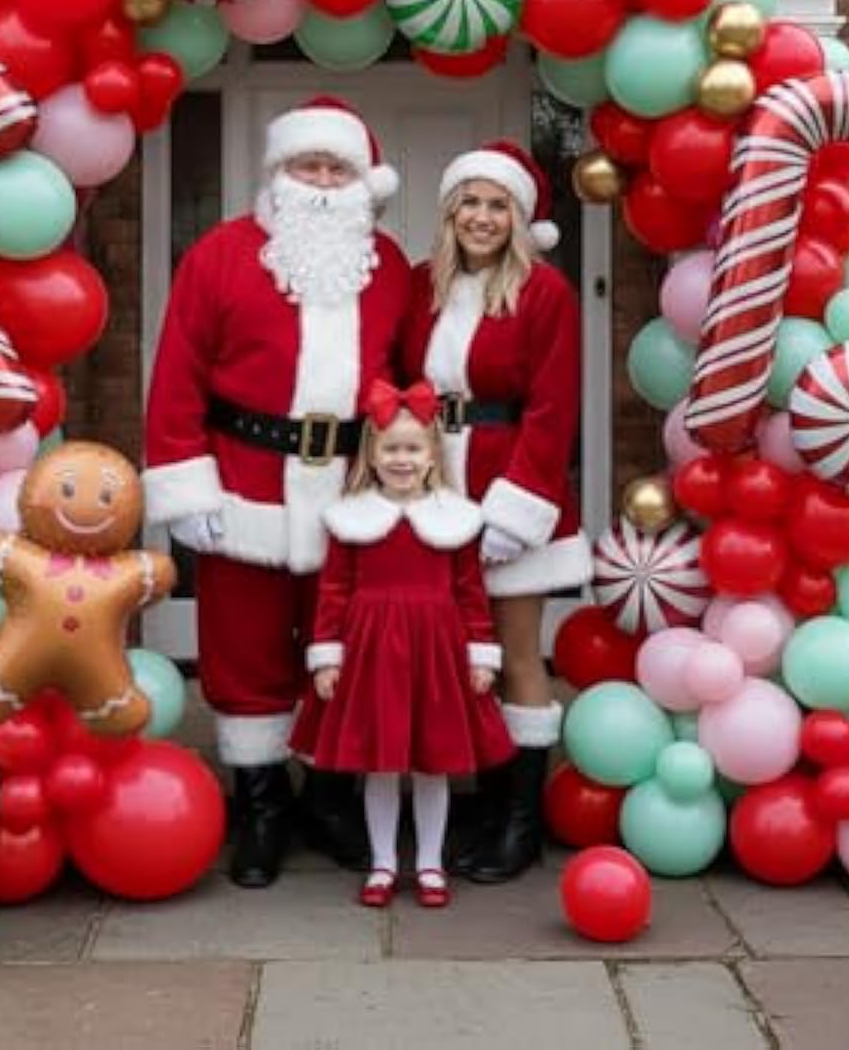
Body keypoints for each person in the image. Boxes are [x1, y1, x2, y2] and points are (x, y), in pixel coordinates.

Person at [143, 97, 411, 887]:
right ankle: (260, 803)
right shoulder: (220, 257)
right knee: (244, 650)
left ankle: (329, 795)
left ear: (364, 183)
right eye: (308, 166)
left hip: (353, 493)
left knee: (346, 650)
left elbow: (412, 381)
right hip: (243, 490)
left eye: (338, 169)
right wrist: (186, 486)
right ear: (278, 174)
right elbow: (178, 375)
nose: (323, 182)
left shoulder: (390, 266)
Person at [399, 139, 593, 883]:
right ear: (451, 213)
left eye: (497, 205)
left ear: (519, 218)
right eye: (470, 203)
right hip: (431, 486)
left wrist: (519, 507)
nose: (482, 218)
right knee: (454, 657)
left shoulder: (546, 294)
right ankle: (477, 802)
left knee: (514, 655)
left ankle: (520, 819)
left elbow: (552, 408)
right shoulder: (425, 288)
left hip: (512, 483)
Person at [290, 379, 513, 909]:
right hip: (372, 653)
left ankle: (431, 865)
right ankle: (384, 863)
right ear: (372, 452)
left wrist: (480, 653)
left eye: (413, 448)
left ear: (433, 453)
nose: (402, 459)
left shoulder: (455, 520)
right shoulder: (351, 520)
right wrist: (327, 653)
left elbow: (470, 593)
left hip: (436, 652)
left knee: (432, 762)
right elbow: (334, 592)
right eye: (390, 448)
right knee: (382, 763)